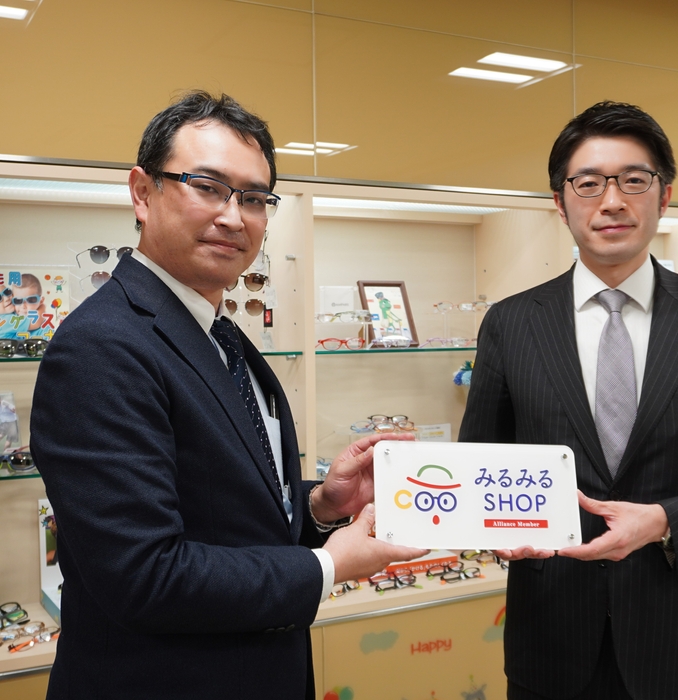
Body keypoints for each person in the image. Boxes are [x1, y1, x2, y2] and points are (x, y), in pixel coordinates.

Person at [30, 91, 427, 700]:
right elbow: (145, 575)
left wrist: (320, 505)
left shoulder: (217, 332)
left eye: (254, 198)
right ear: (142, 192)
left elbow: (226, 511)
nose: (234, 217)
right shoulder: (101, 346)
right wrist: (328, 564)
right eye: (208, 187)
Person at [459, 101, 678, 700]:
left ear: (664, 195)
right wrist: (481, 519)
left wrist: (667, 521)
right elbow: (480, 465)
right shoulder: (511, 323)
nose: (612, 201)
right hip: (551, 640)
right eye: (588, 183)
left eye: (633, 180)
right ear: (560, 202)